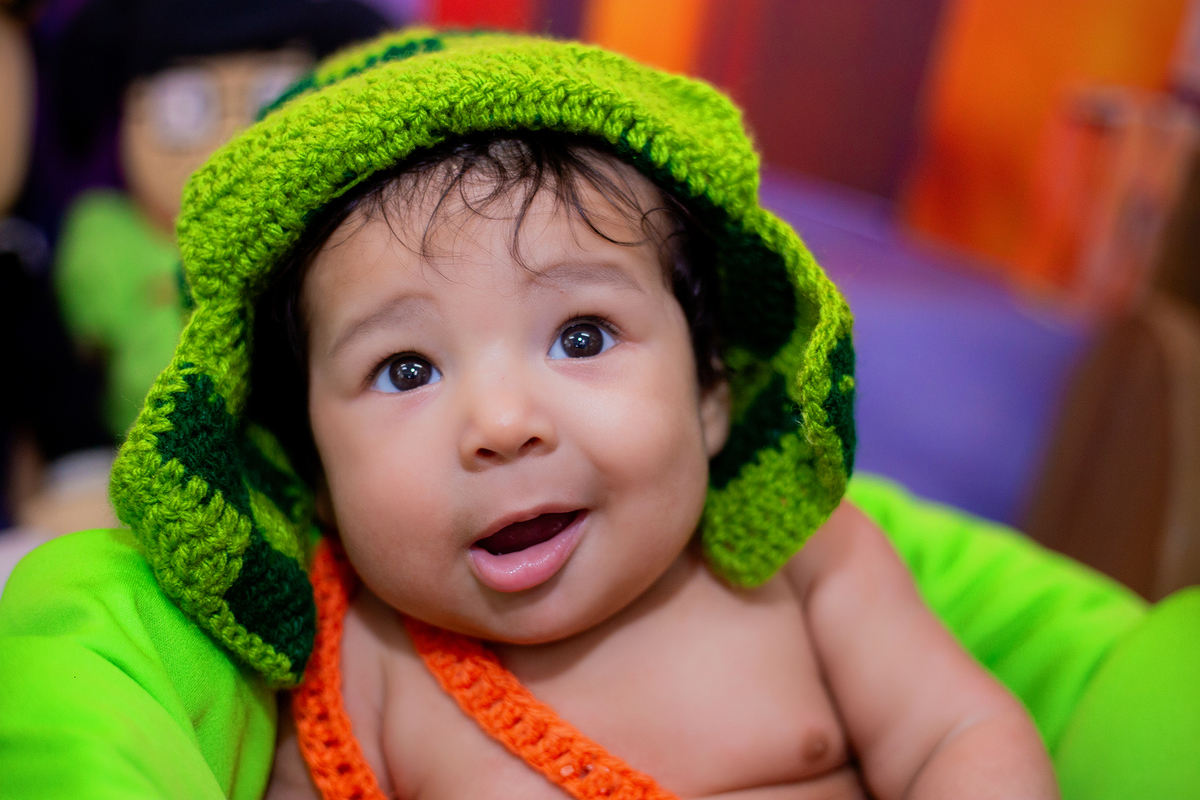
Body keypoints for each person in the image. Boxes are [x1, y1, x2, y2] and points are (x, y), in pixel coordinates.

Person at [6, 29, 1063, 799]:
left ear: (713, 395)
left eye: (583, 336)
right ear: (314, 468)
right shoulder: (357, 661)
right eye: (407, 367)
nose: (502, 422)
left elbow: (958, 734)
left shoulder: (805, 561)